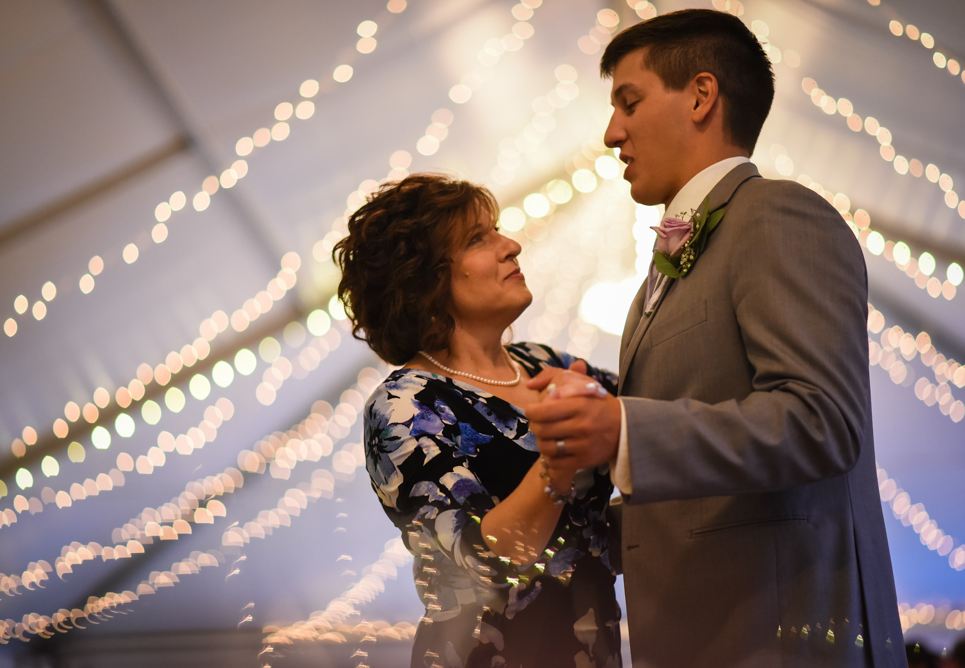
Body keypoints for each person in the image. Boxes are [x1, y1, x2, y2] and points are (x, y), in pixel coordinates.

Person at [526, 9, 905, 668]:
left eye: (629, 101)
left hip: (782, 640)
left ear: (701, 95)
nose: (612, 132)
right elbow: (702, 497)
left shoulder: (777, 215)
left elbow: (821, 421)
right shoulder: (674, 259)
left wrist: (622, 432)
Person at [333, 174, 622, 668]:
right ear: (424, 281)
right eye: (477, 239)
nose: (511, 246)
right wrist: (560, 456)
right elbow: (489, 561)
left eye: (497, 231)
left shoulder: (542, 361)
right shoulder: (402, 409)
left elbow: (648, 434)